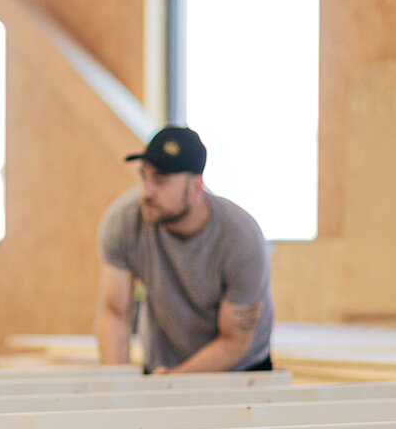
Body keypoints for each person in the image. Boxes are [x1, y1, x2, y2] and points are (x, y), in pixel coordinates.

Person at [94, 125, 274, 374]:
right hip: (164, 365)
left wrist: (172, 382)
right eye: (144, 177)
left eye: (160, 181)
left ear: (196, 187)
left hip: (239, 370)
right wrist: (116, 389)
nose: (146, 192)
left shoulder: (241, 238)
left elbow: (234, 342)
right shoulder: (124, 222)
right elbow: (114, 314)